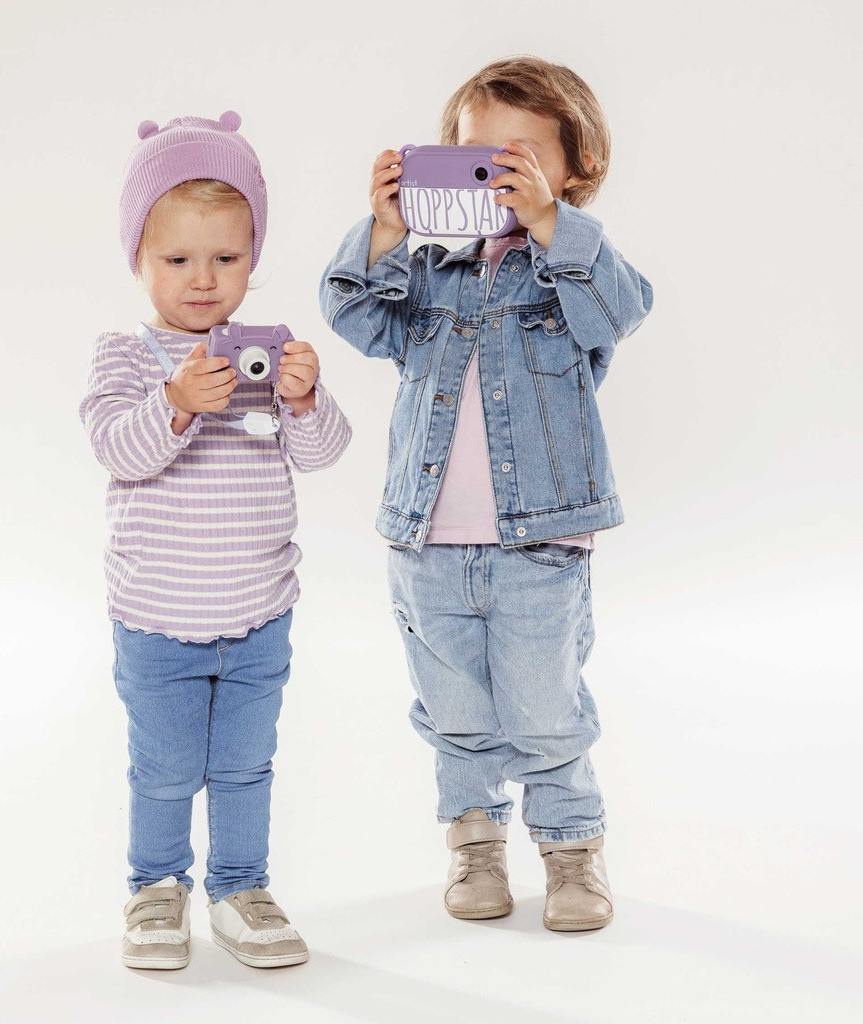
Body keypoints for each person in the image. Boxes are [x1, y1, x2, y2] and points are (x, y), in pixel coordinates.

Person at [319, 56, 652, 932]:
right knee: (456, 712)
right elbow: (355, 317)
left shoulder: (570, 273)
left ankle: (571, 849)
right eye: (475, 156)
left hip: (539, 542)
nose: (495, 174)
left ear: (575, 168)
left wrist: (549, 224)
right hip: (427, 543)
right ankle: (475, 843)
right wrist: (383, 232)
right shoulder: (431, 271)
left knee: (545, 712)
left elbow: (620, 312)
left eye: (520, 157)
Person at [80, 111, 351, 969]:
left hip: (259, 615)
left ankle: (241, 888)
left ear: (253, 257)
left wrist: (304, 399)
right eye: (177, 260)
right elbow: (116, 449)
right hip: (157, 618)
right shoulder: (126, 357)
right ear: (138, 258)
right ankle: (156, 888)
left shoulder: (267, 357)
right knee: (163, 771)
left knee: (244, 768)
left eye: (227, 259)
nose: (203, 280)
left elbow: (324, 455)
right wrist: (175, 402)